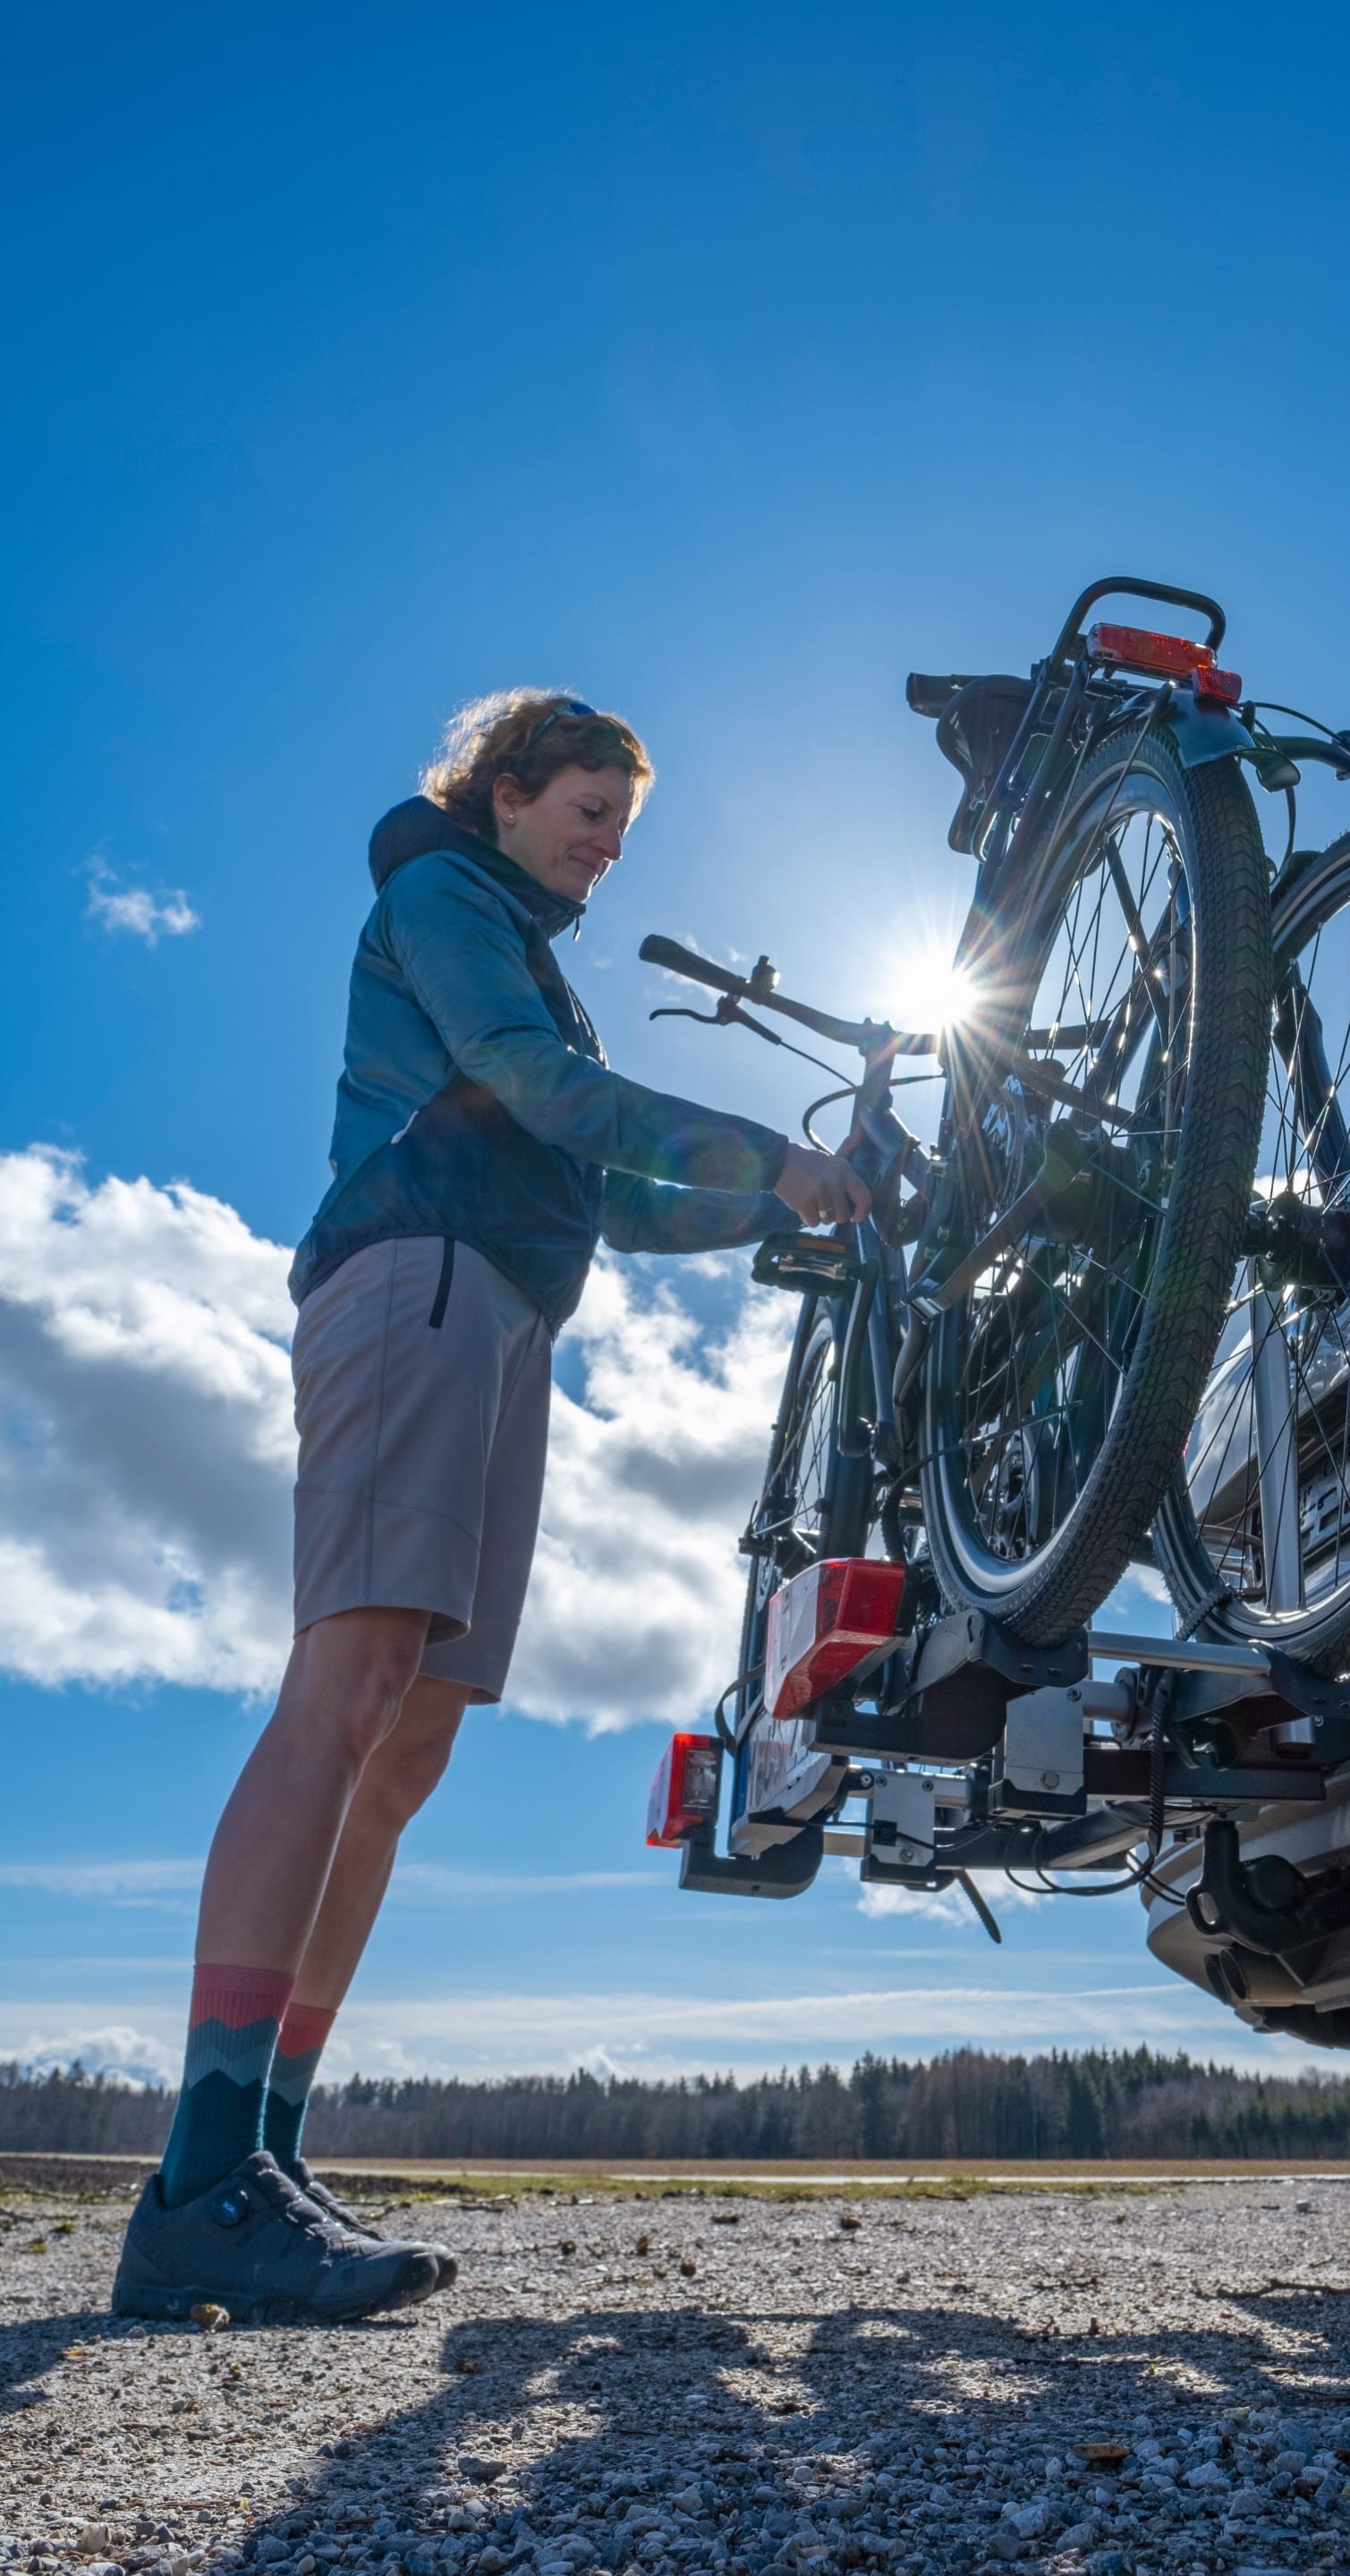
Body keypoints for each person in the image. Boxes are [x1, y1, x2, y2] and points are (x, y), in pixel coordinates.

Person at [112, 688, 869, 2323]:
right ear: (509, 791)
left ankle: (273, 2153)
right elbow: (529, 1086)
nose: (607, 850)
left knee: (417, 1742)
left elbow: (600, 1189)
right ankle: (197, 2177)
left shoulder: (534, 953)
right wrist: (765, 1147)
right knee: (350, 1686)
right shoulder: (443, 897)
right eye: (591, 812)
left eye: (623, 826)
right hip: (418, 1272)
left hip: (511, 1305)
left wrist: (792, 1204)